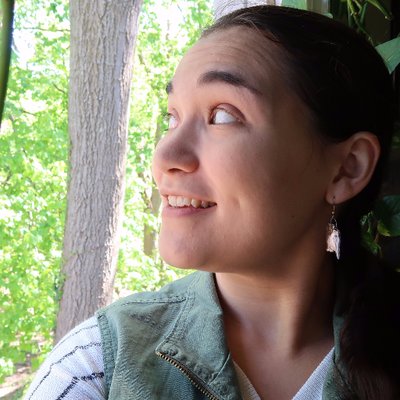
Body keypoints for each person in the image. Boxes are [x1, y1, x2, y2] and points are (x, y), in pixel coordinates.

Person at [25, 5, 400, 400]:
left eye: (222, 115)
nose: (165, 156)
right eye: (172, 117)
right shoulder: (97, 366)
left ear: (347, 168)